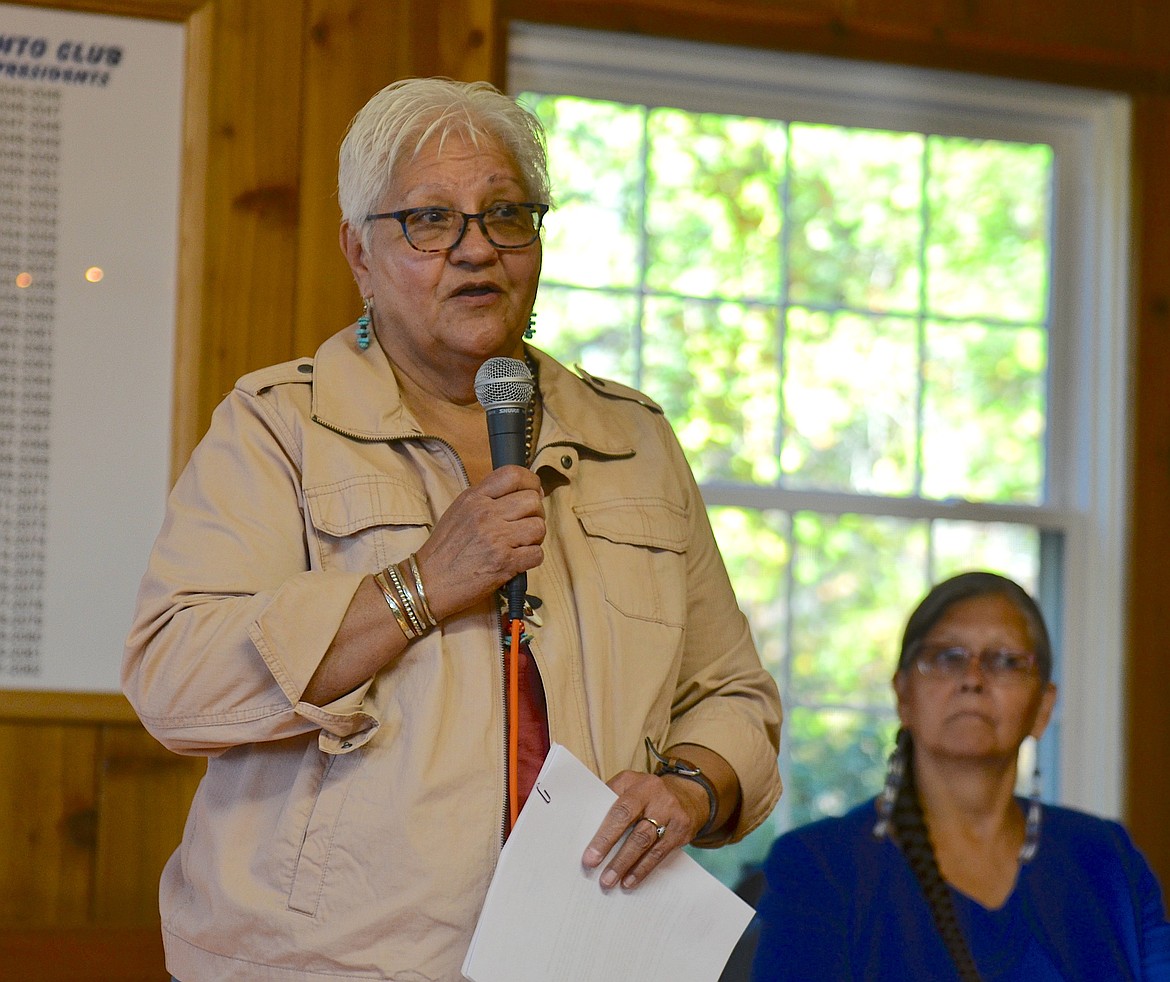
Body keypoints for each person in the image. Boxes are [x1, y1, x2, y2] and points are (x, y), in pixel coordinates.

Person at [122, 76, 783, 981]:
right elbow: (174, 674)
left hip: (589, 954)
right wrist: (422, 584)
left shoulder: (633, 440)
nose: (476, 250)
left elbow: (734, 695)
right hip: (326, 963)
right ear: (359, 251)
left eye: (505, 214)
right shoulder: (280, 426)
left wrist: (691, 789)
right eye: (430, 220)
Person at [751, 570, 1170, 981]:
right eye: (947, 658)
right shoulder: (818, 866)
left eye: (1006, 661)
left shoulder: (1109, 861)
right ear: (904, 696)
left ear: (1043, 708)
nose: (973, 679)